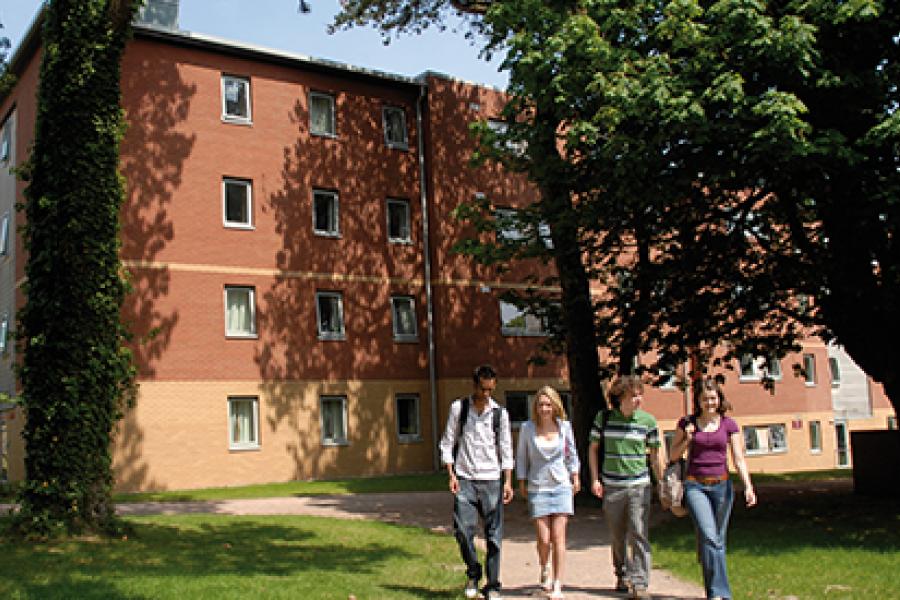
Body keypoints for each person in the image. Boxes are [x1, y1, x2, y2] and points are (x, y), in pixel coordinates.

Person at [668, 376, 757, 600]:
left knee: (717, 540)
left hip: (722, 486)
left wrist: (748, 486)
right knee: (709, 536)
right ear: (698, 401)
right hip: (695, 486)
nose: (710, 403)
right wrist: (688, 439)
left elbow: (739, 457)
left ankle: (714, 593)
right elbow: (672, 455)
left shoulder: (729, 424)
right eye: (705, 399)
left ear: (719, 399)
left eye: (713, 398)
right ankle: (721, 593)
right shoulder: (686, 423)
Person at [439, 364, 514, 600]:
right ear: (474, 386)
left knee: (494, 536)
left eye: (491, 390)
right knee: (462, 531)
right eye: (483, 390)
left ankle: (493, 584)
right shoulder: (459, 409)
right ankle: (473, 571)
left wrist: (508, 482)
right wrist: (451, 474)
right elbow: (447, 442)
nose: (487, 395)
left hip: (492, 479)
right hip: (465, 478)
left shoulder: (499, 414)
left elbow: (506, 449)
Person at [588, 375, 665, 600]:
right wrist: (594, 479)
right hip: (612, 485)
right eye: (633, 396)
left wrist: (662, 484)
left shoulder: (648, 422)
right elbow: (593, 449)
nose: (638, 399)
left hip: (639, 485)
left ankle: (640, 583)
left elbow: (655, 454)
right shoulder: (604, 419)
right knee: (616, 535)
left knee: (639, 532)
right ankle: (621, 573)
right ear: (620, 397)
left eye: (640, 394)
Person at [515, 386, 580, 599]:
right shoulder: (527, 428)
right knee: (544, 538)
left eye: (548, 404)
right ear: (536, 407)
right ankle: (545, 567)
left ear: (555, 406)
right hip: (538, 486)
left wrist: (575, 476)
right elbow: (522, 457)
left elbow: (571, 454)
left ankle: (558, 583)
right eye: (541, 404)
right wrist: (521, 480)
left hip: (561, 486)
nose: (544, 408)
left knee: (559, 537)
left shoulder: (564, 427)